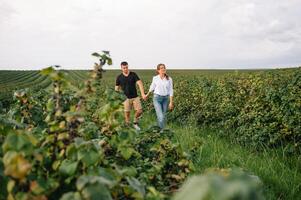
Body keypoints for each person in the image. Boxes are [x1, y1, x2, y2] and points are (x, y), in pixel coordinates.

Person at [115, 61, 146, 130]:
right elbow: (116, 88)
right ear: (121, 68)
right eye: (124, 68)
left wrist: (143, 94)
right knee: (127, 114)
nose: (125, 69)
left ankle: (135, 121)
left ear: (128, 67)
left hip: (135, 97)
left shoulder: (133, 74)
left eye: (126, 67)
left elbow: (140, 83)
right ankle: (128, 128)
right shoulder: (119, 77)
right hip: (125, 98)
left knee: (139, 111)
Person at [146, 63, 174, 130]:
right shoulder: (155, 78)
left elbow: (171, 90)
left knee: (163, 116)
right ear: (158, 70)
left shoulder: (169, 79)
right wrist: (147, 95)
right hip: (157, 98)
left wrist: (171, 102)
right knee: (160, 117)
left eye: (164, 68)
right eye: (161, 68)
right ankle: (162, 131)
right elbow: (152, 87)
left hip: (165, 99)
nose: (163, 69)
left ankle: (159, 130)